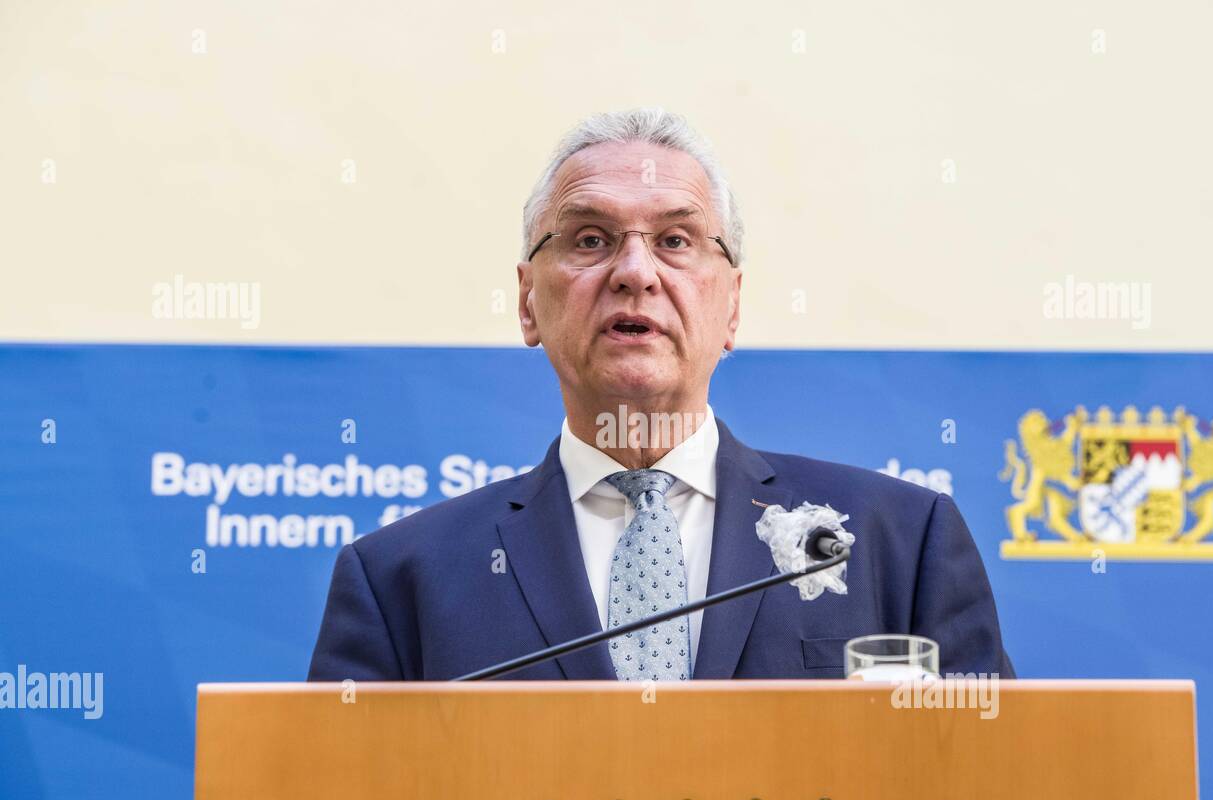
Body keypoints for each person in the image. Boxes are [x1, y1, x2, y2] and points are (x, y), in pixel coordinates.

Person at [309, 108, 1014, 682]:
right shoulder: (403, 583)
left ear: (732, 304)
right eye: (590, 239)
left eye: (676, 239)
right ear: (529, 301)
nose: (635, 272)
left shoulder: (898, 543)